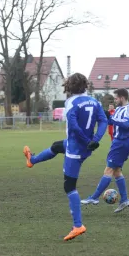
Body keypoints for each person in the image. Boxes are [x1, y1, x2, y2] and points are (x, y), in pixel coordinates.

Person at [22, 73, 108, 241]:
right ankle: (32, 160)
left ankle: (78, 225)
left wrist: (87, 140)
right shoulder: (94, 101)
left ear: (69, 87)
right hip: (82, 146)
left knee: (69, 186)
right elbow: (104, 121)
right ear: (85, 86)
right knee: (56, 146)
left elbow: (74, 126)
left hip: (76, 149)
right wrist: (95, 140)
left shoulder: (71, 103)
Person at [81, 88, 129, 213]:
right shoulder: (118, 110)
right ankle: (125, 200)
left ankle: (94, 197)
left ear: (122, 97)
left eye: (116, 98)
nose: (115, 100)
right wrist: (105, 115)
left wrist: (111, 117)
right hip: (119, 142)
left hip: (121, 142)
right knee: (116, 171)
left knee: (108, 170)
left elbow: (126, 123)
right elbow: (112, 121)